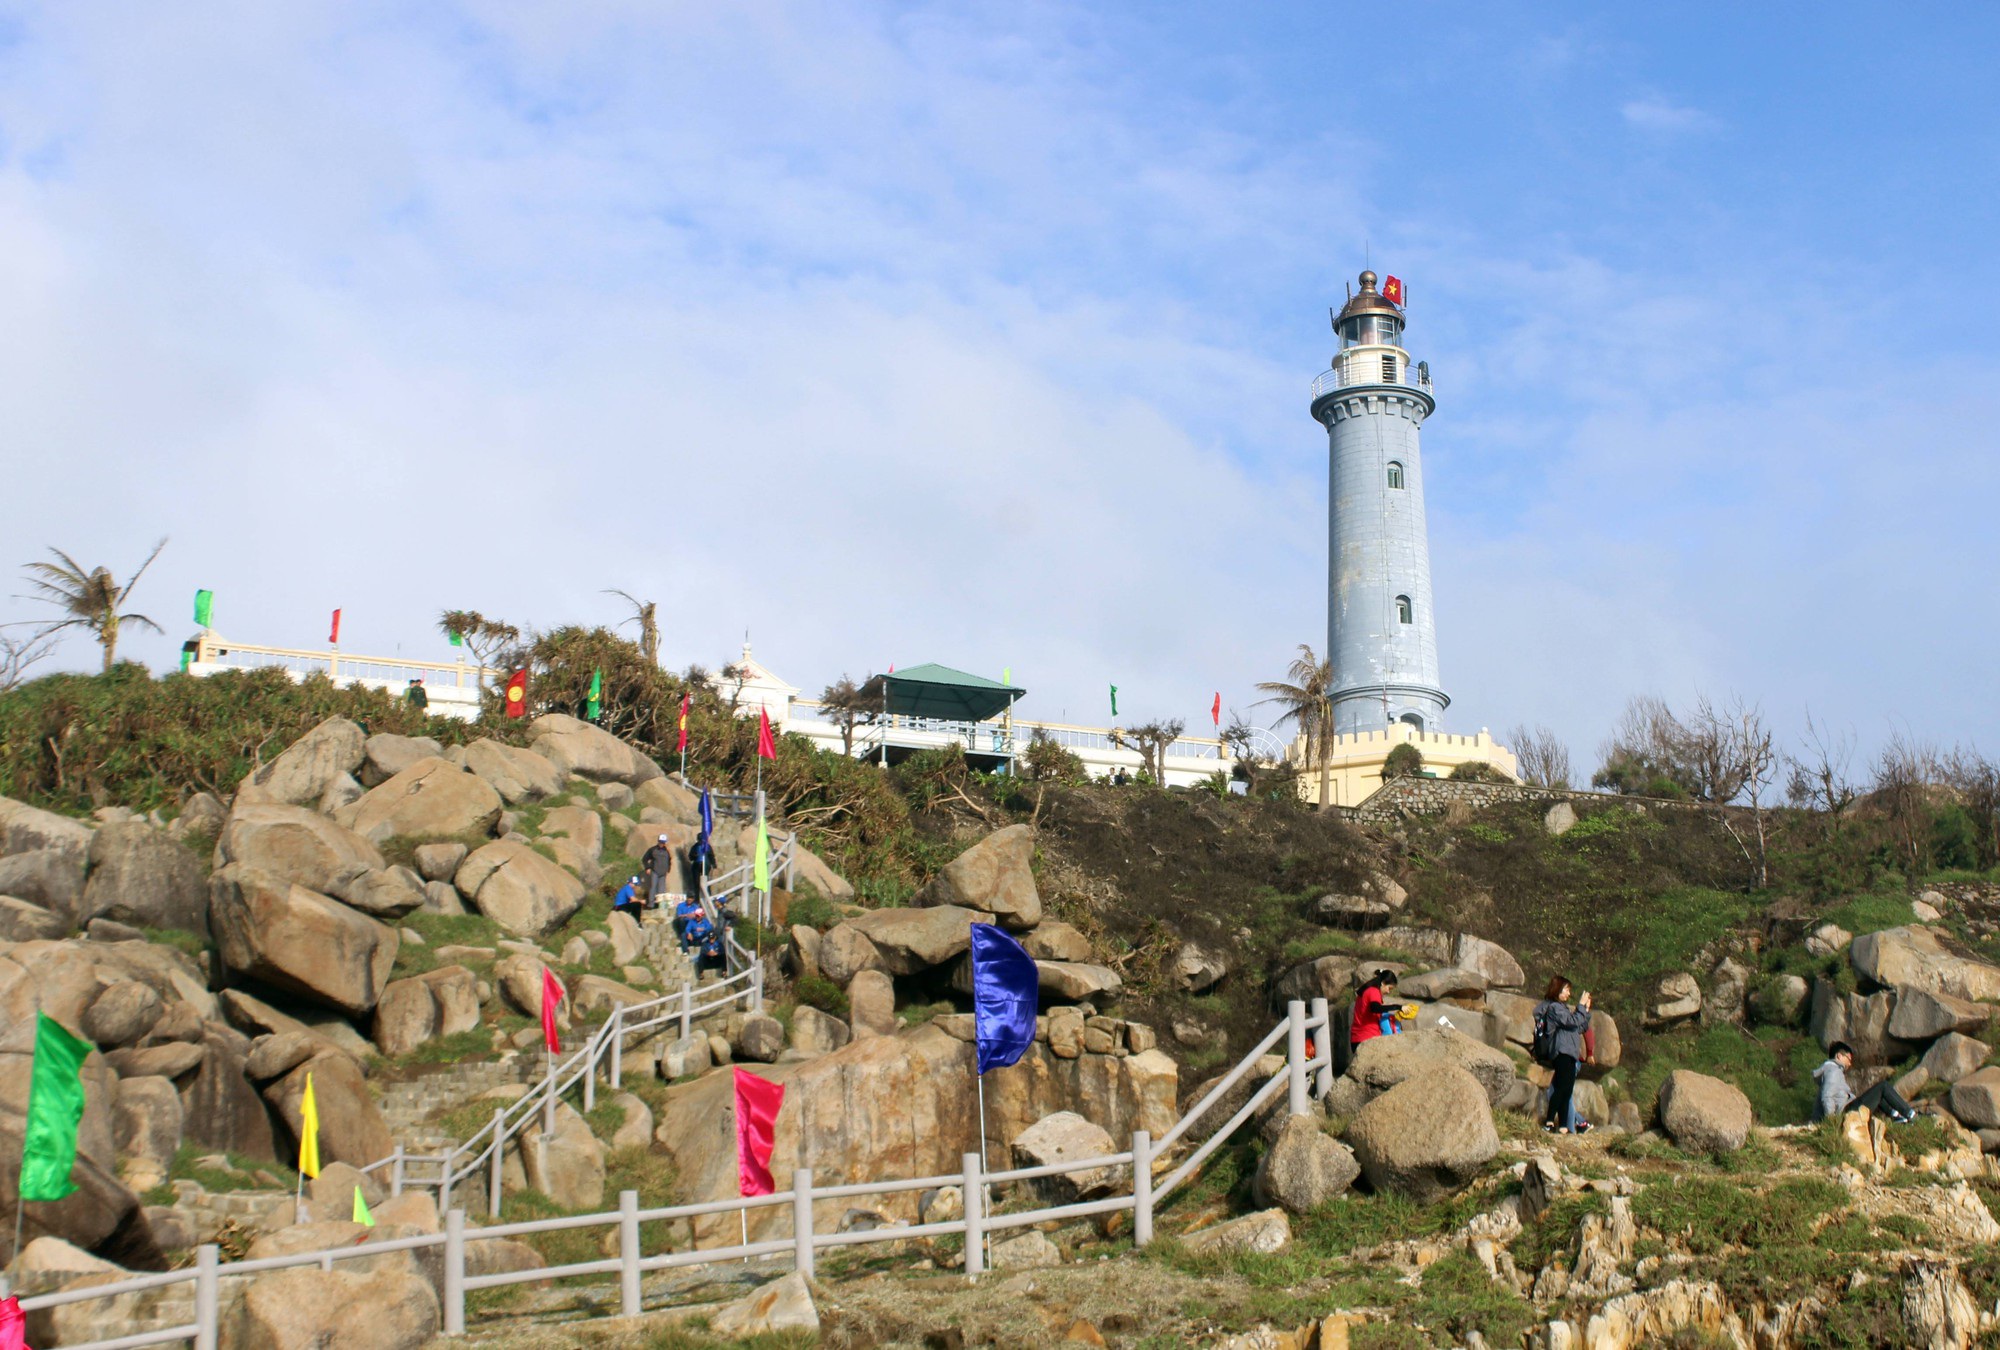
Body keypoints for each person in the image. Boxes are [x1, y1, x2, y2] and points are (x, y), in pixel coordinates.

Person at [1534, 976, 1594, 1135]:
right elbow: (1572, 1021)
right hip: (1562, 1052)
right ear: (1557, 989)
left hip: (1570, 1052)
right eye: (1566, 989)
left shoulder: (1563, 1008)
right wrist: (1580, 1006)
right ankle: (1548, 1122)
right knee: (1561, 1089)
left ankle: (1563, 1126)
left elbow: (1580, 1027)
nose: (1569, 993)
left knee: (1566, 1090)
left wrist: (1585, 1011)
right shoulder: (1555, 1008)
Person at [1814, 1042, 1918, 1123]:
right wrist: (1831, 1121)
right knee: (1883, 1086)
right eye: (1848, 1059)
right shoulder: (1833, 1070)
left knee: (1876, 1095)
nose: (1850, 1064)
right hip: (1846, 1112)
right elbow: (1827, 1096)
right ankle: (1910, 1114)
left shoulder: (1831, 1070)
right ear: (1839, 1056)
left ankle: (1896, 1116)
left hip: (1847, 1110)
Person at [1350, 970, 1406, 1046]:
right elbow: (1375, 1008)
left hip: (1356, 1038)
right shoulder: (1374, 991)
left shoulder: (1364, 992)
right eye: (1389, 988)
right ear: (1383, 983)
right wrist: (1397, 1007)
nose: (1388, 992)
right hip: (1367, 1038)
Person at [641, 834, 675, 901]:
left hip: (663, 873)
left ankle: (660, 904)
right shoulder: (652, 849)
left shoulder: (667, 851)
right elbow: (644, 859)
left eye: (663, 842)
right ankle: (651, 904)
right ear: (658, 841)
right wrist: (647, 868)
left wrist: (668, 869)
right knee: (653, 887)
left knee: (662, 889)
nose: (661, 843)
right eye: (660, 842)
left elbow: (669, 860)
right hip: (654, 871)